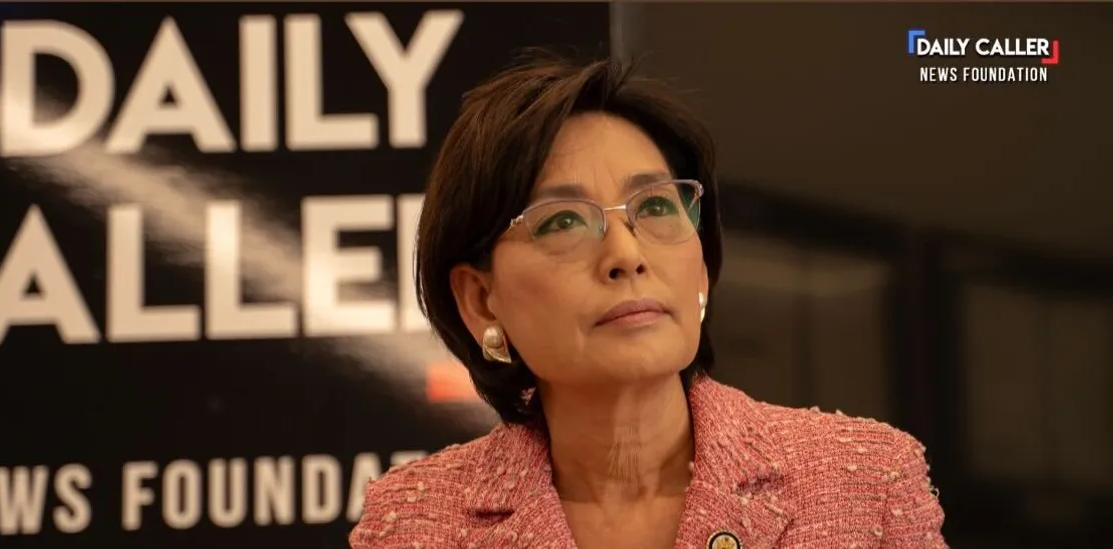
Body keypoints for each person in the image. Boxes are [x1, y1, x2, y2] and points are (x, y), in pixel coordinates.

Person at [350, 53, 946, 549]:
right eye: (563, 221)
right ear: (482, 300)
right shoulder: (414, 526)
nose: (626, 254)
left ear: (701, 267)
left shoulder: (866, 484)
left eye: (656, 206)